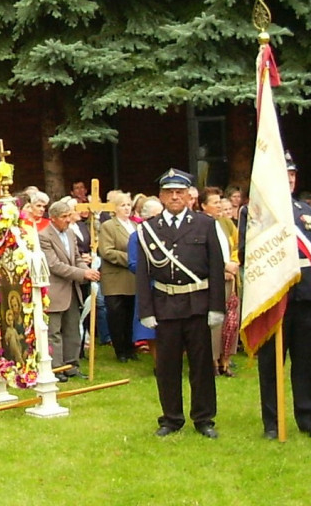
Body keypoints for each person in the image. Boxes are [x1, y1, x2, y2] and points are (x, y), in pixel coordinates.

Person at [246, 153, 311, 440]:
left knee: (306, 363)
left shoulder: (304, 211)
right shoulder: (256, 212)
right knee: (271, 364)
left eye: (293, 175)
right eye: (285, 175)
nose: (290, 180)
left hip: (306, 296)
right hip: (274, 296)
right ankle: (272, 422)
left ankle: (310, 420)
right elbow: (251, 255)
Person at [134, 168, 224, 438]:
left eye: (180, 192)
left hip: (197, 304)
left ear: (189, 196)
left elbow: (217, 269)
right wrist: (146, 310)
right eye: (169, 192)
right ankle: (171, 418)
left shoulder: (205, 224)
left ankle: (204, 418)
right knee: (167, 367)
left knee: (201, 366)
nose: (175, 197)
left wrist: (216, 307)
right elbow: (143, 274)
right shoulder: (149, 229)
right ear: (161, 196)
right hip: (165, 305)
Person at [40, 199, 98, 381]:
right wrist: (82, 273)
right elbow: (54, 265)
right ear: (53, 218)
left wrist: (87, 269)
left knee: (73, 329)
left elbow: (76, 258)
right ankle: (57, 368)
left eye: (69, 216)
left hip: (73, 289)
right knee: (54, 332)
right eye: (64, 217)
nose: (68, 220)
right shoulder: (44, 236)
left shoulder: (71, 234)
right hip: (55, 290)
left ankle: (72, 365)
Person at [199, 186, 240, 377]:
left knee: (231, 321)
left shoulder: (226, 224)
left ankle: (226, 360)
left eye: (219, 202)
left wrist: (233, 264)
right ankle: (213, 361)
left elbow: (236, 246)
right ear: (203, 206)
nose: (218, 206)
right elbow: (201, 255)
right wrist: (222, 267)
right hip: (211, 281)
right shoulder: (200, 225)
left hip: (231, 280)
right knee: (214, 323)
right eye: (214, 203)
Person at [99, 190, 137, 362]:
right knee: (116, 314)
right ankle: (120, 350)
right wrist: (131, 259)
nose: (127, 208)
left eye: (129, 205)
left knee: (130, 314)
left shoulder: (136, 226)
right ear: (114, 208)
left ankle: (130, 348)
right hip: (115, 278)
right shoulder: (108, 226)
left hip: (132, 278)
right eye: (123, 205)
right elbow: (106, 251)